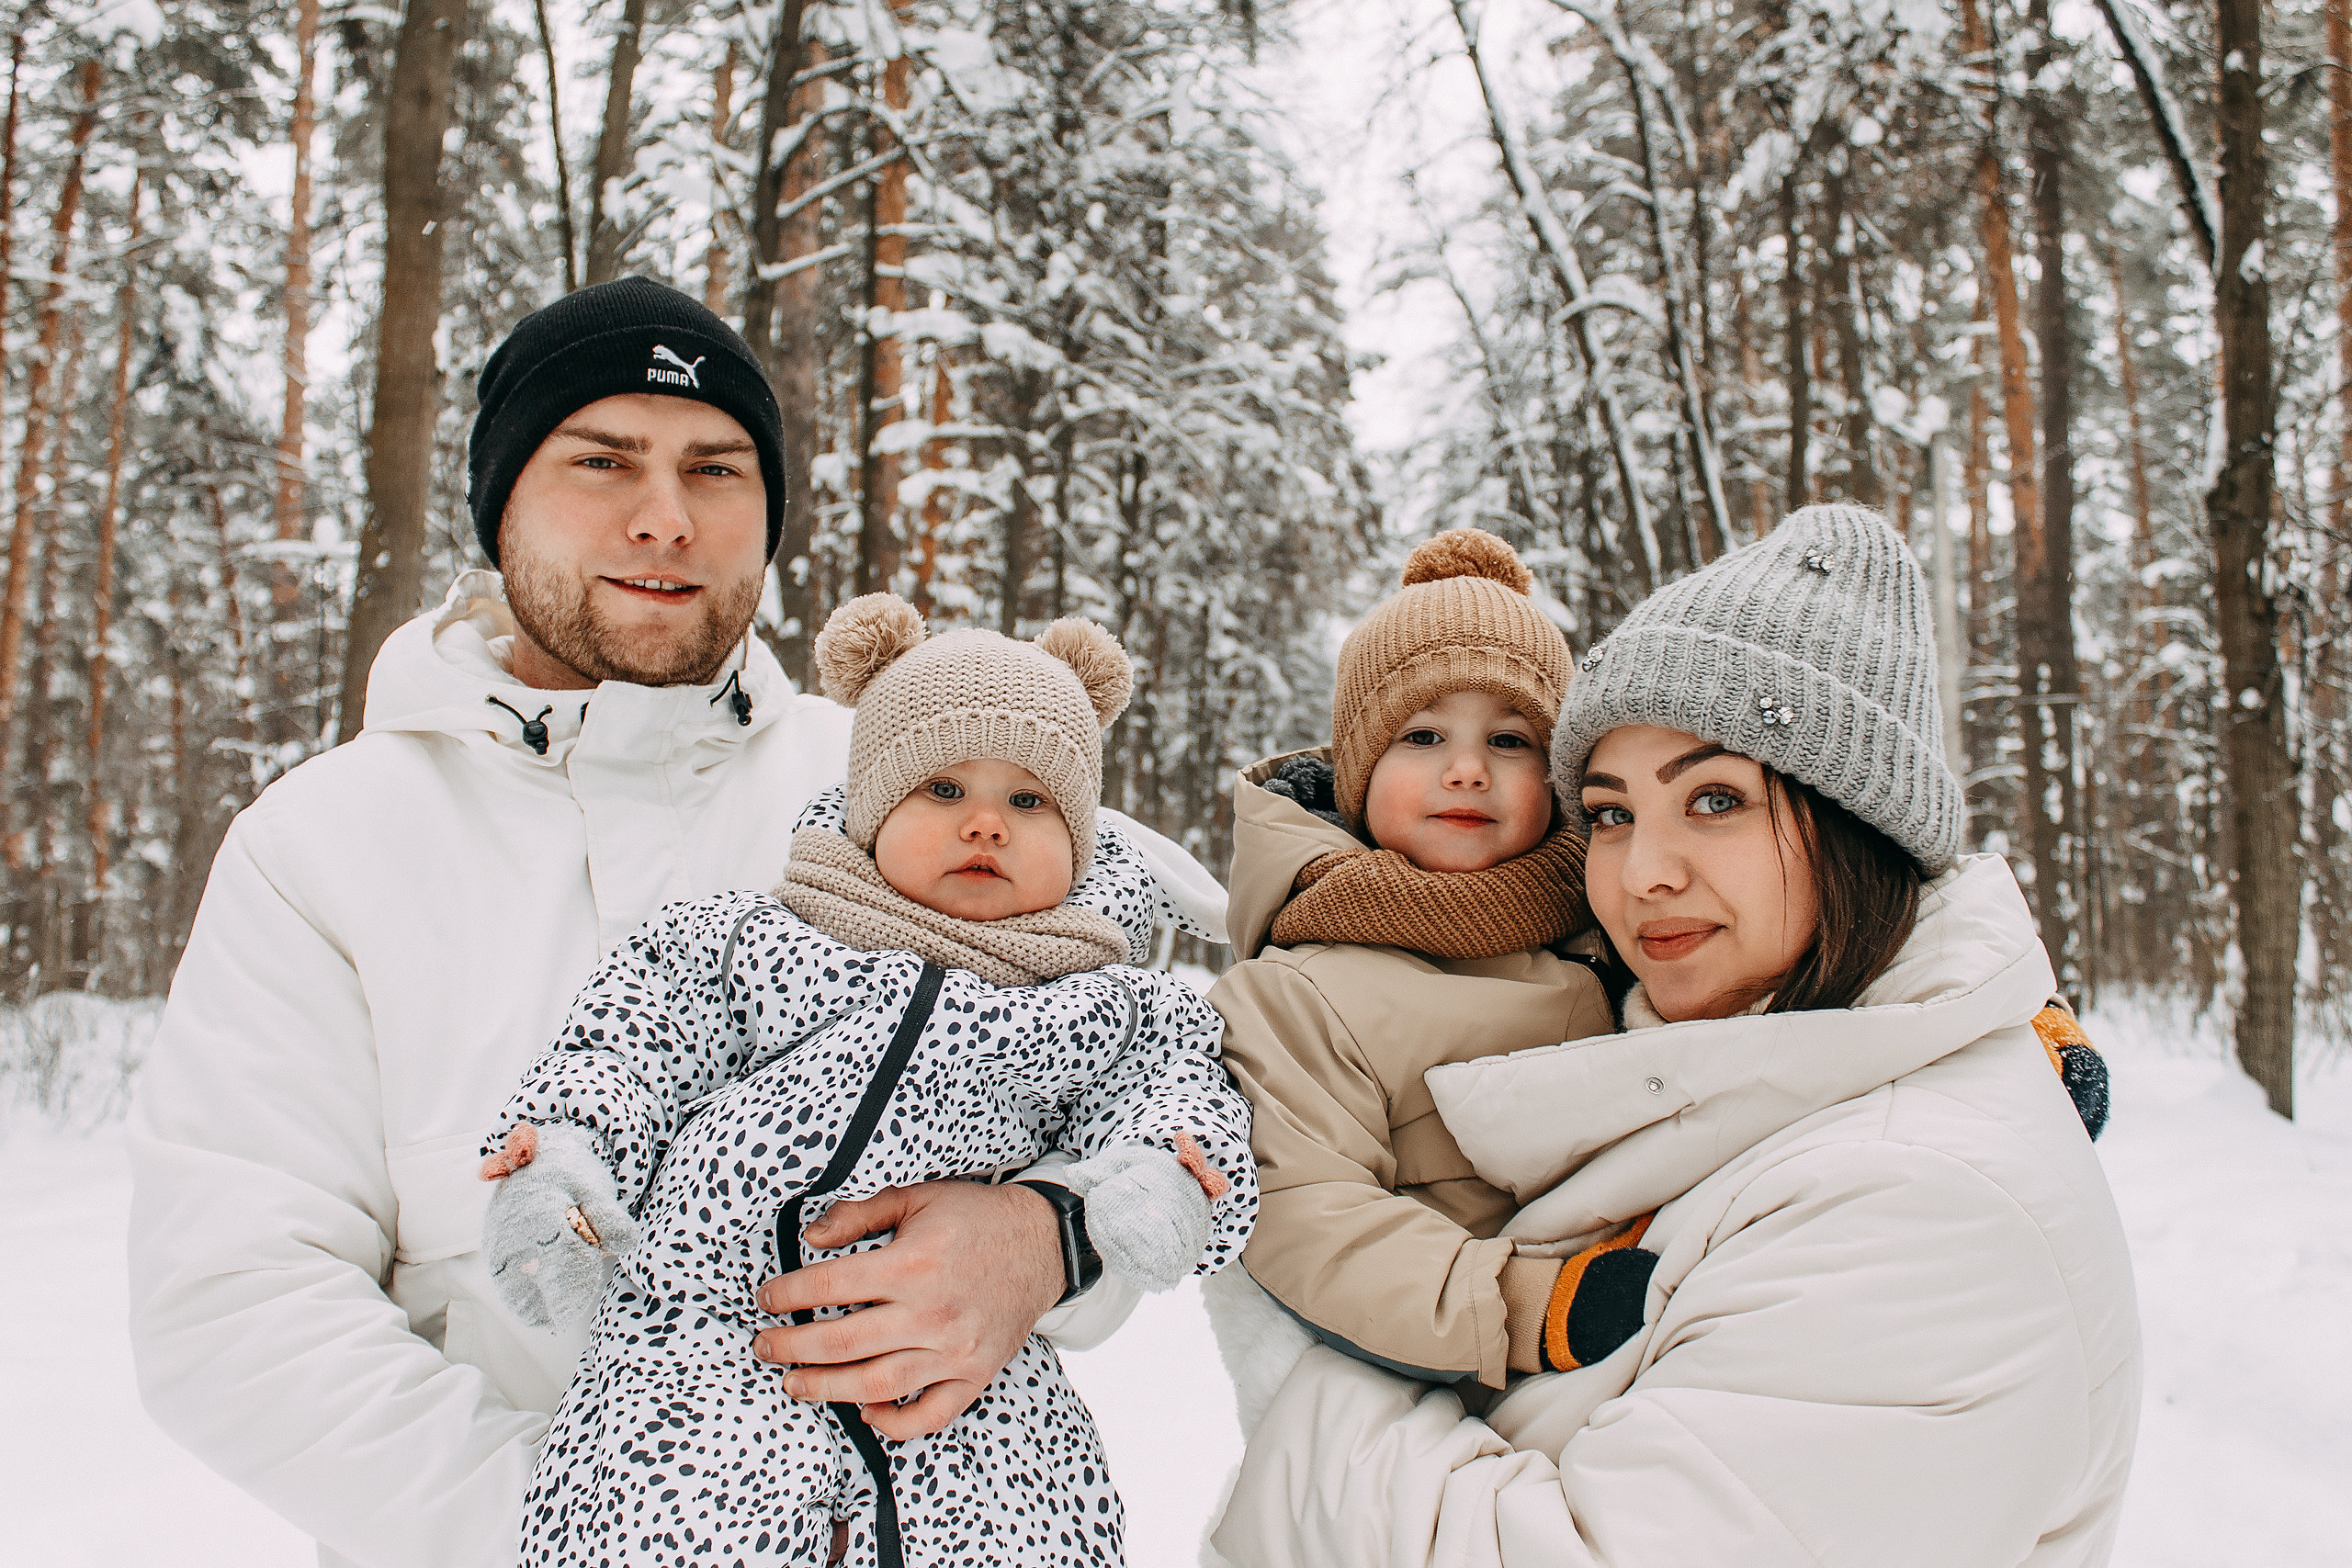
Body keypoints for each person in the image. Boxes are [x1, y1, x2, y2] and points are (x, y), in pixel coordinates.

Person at [125, 277, 1225, 1568]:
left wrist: (1051, 1238)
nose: (666, 517)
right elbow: (237, 1304)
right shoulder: (325, 842)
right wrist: (594, 1528)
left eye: (716, 468)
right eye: (603, 461)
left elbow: (1119, 1088)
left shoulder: (913, 797)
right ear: (502, 500)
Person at [1211, 505, 2139, 1568]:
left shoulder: (1924, 1208)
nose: (1641, 874)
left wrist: (1290, 1384)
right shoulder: (1733, 1040)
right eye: (1609, 813)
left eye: (1712, 798)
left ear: (1858, 819)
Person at [478, 593, 1256, 1568]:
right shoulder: (754, 939)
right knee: (659, 1530)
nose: (986, 825)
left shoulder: (1105, 1002)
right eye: (940, 791)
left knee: (1028, 1533)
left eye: (1029, 801)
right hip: (706, 1340)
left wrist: (1160, 1180)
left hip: (966, 1374)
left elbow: (1181, 1103)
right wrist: (565, 1152)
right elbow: (628, 1040)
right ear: (870, 807)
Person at [1204, 529, 1617, 1409]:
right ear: (1358, 769)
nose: (1467, 770)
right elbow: (1307, 1213)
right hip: (1457, 1380)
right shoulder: (1300, 990)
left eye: (1511, 741)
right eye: (1423, 735)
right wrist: (1522, 1306)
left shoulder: (1611, 928)